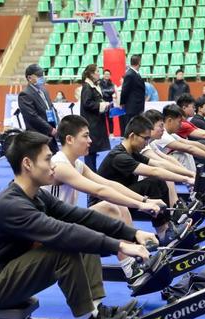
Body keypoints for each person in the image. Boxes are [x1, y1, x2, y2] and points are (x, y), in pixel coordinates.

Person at [0, 130, 152, 319]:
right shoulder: (12, 205)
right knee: (65, 248)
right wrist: (120, 246)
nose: (52, 164)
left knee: (83, 233)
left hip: (7, 272)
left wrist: (132, 233)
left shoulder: (36, 195)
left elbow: (80, 217)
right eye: (47, 159)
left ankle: (95, 312)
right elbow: (61, 232)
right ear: (28, 164)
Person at [44, 115, 164, 282]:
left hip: (67, 221)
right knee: (110, 208)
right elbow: (99, 190)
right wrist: (140, 205)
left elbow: (109, 184)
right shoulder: (60, 165)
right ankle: (131, 268)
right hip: (53, 229)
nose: (90, 141)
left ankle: (136, 256)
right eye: (85, 136)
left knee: (118, 206)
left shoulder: (77, 164)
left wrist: (145, 201)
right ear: (70, 139)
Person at [97, 116, 195, 244]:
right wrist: (186, 179)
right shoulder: (119, 157)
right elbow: (154, 171)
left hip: (122, 197)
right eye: (146, 138)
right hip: (106, 206)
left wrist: (190, 174)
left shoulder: (131, 152)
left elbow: (158, 165)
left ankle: (168, 224)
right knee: (153, 183)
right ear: (133, 136)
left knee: (159, 181)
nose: (147, 143)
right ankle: (163, 233)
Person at [18, 64, 59, 153]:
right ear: (29, 78)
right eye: (39, 76)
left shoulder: (44, 91)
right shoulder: (25, 95)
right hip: (38, 136)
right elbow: (32, 117)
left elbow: (51, 108)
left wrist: (57, 123)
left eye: (42, 75)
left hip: (51, 134)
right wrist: (50, 129)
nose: (42, 78)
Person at [79, 64, 111, 172]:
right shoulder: (87, 87)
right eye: (97, 71)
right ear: (92, 74)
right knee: (90, 149)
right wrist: (101, 105)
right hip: (91, 123)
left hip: (95, 122)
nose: (99, 73)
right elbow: (87, 103)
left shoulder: (93, 86)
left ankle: (93, 171)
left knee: (93, 150)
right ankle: (90, 172)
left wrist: (104, 104)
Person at [119, 55, 146, 132]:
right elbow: (125, 90)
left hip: (137, 105)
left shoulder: (135, 73)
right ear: (139, 62)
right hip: (133, 106)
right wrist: (122, 102)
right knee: (132, 126)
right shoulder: (130, 74)